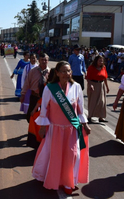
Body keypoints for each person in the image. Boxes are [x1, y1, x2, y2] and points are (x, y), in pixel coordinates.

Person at [32, 61, 91, 195]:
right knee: (55, 155)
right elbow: (44, 109)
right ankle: (53, 180)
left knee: (71, 155)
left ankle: (68, 182)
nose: (66, 74)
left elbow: (81, 109)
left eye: (69, 71)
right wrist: (42, 127)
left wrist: (85, 124)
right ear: (57, 73)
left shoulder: (76, 87)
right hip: (55, 129)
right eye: (63, 71)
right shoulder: (50, 88)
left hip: (72, 129)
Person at [20, 53, 50, 122]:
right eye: (42, 60)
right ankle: (32, 130)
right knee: (30, 116)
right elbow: (27, 83)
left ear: (48, 61)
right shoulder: (33, 71)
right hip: (34, 96)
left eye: (45, 60)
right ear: (39, 61)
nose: (44, 61)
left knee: (45, 116)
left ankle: (40, 131)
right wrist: (23, 94)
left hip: (45, 98)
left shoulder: (50, 72)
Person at [86, 55, 109, 123]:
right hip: (93, 84)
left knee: (102, 101)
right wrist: (90, 85)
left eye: (102, 60)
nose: (101, 62)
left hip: (101, 85)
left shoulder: (103, 67)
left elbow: (105, 78)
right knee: (93, 101)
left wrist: (107, 87)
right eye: (99, 60)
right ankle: (89, 116)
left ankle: (101, 117)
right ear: (96, 61)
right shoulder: (91, 67)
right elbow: (88, 78)